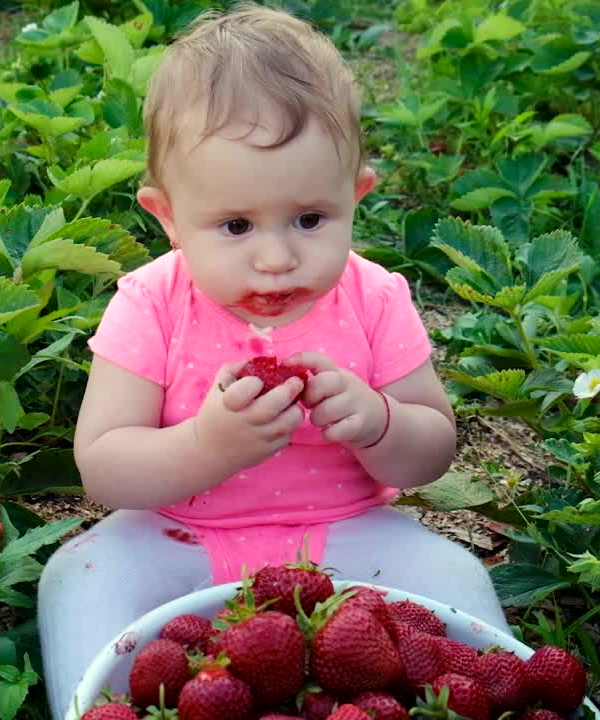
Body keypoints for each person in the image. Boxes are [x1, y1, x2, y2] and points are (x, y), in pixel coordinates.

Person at [36, 4, 507, 717]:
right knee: (78, 578)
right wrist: (207, 444)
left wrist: (382, 424)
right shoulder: (151, 303)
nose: (276, 257)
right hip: (178, 534)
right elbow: (103, 466)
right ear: (166, 216)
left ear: (357, 197)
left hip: (349, 531)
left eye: (311, 219)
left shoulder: (375, 298)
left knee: (455, 578)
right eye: (234, 226)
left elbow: (432, 451)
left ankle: (475, 703)